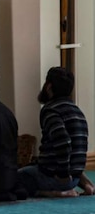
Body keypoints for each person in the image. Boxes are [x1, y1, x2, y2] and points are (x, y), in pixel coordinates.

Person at [16, 67, 92, 198]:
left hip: (57, 177)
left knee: (15, 178)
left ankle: (52, 193)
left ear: (49, 86)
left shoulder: (51, 110)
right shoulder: (77, 111)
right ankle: (88, 185)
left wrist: (62, 174)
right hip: (74, 178)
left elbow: (63, 141)